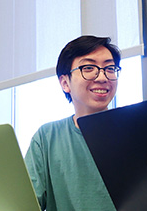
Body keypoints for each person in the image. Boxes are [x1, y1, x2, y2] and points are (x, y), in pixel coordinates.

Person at [24, 35, 121, 211]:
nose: (102, 77)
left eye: (110, 68)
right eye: (89, 67)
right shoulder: (47, 138)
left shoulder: (134, 131)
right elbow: (25, 203)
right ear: (65, 82)